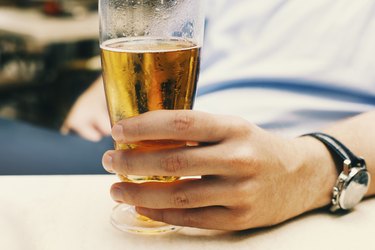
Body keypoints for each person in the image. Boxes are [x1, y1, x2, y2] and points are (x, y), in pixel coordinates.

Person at [2, 0, 375, 230]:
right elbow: (165, 39)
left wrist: (308, 167)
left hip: (285, 155)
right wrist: (104, 84)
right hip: (151, 140)